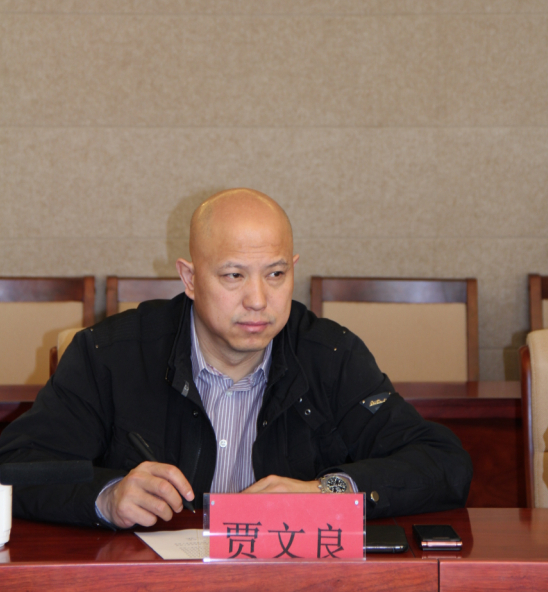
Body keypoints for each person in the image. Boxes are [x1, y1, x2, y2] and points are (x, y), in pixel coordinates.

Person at [0, 188, 472, 529]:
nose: (258, 300)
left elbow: (444, 463)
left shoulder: (330, 355)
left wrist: (327, 492)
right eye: (233, 276)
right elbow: (16, 465)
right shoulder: (112, 355)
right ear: (189, 278)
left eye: (276, 274)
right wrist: (106, 496)